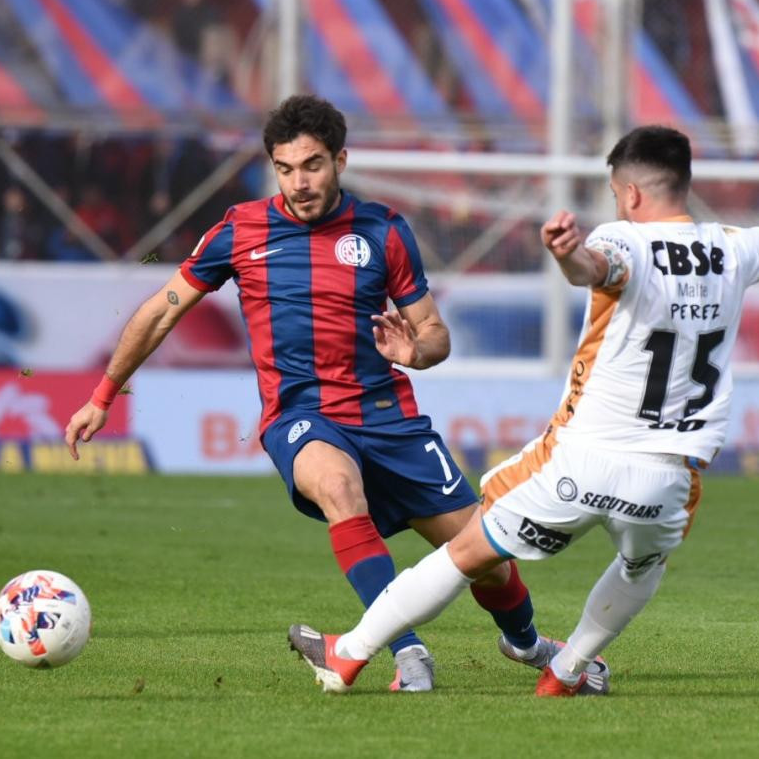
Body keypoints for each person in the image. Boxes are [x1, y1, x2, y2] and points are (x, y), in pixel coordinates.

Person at [286, 82, 759, 697]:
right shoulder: (736, 249)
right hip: (670, 478)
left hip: (584, 460)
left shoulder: (624, 240)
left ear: (632, 193)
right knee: (643, 565)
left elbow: (598, 266)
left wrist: (569, 255)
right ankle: (565, 672)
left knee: (466, 553)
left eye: (617, 195)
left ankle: (347, 655)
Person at [64, 95, 598, 693]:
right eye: (286, 168)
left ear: (341, 159)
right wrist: (104, 394)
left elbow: (434, 334)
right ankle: (407, 650)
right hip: (302, 416)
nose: (300, 182)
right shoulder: (241, 229)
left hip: (390, 419)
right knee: (342, 491)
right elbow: (161, 312)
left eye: (313, 165)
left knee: (486, 558)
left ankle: (524, 642)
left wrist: (416, 352)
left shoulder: (384, 230)